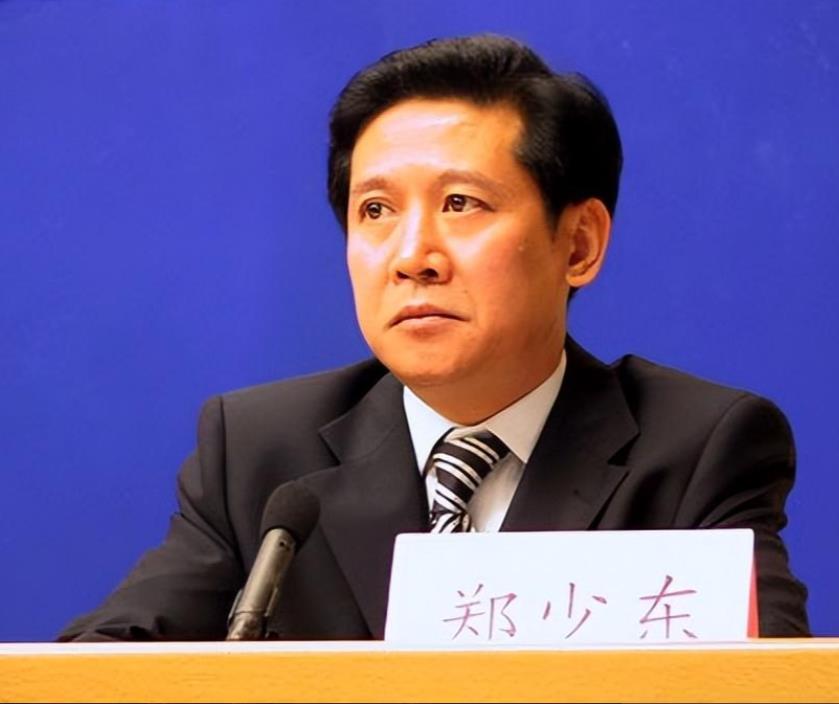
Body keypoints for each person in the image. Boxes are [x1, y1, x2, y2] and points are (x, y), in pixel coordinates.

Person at [59, 33, 809, 641]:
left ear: (579, 243)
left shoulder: (696, 451)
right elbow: (102, 668)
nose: (412, 255)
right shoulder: (259, 453)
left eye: (460, 203)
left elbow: (769, 686)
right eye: (375, 211)